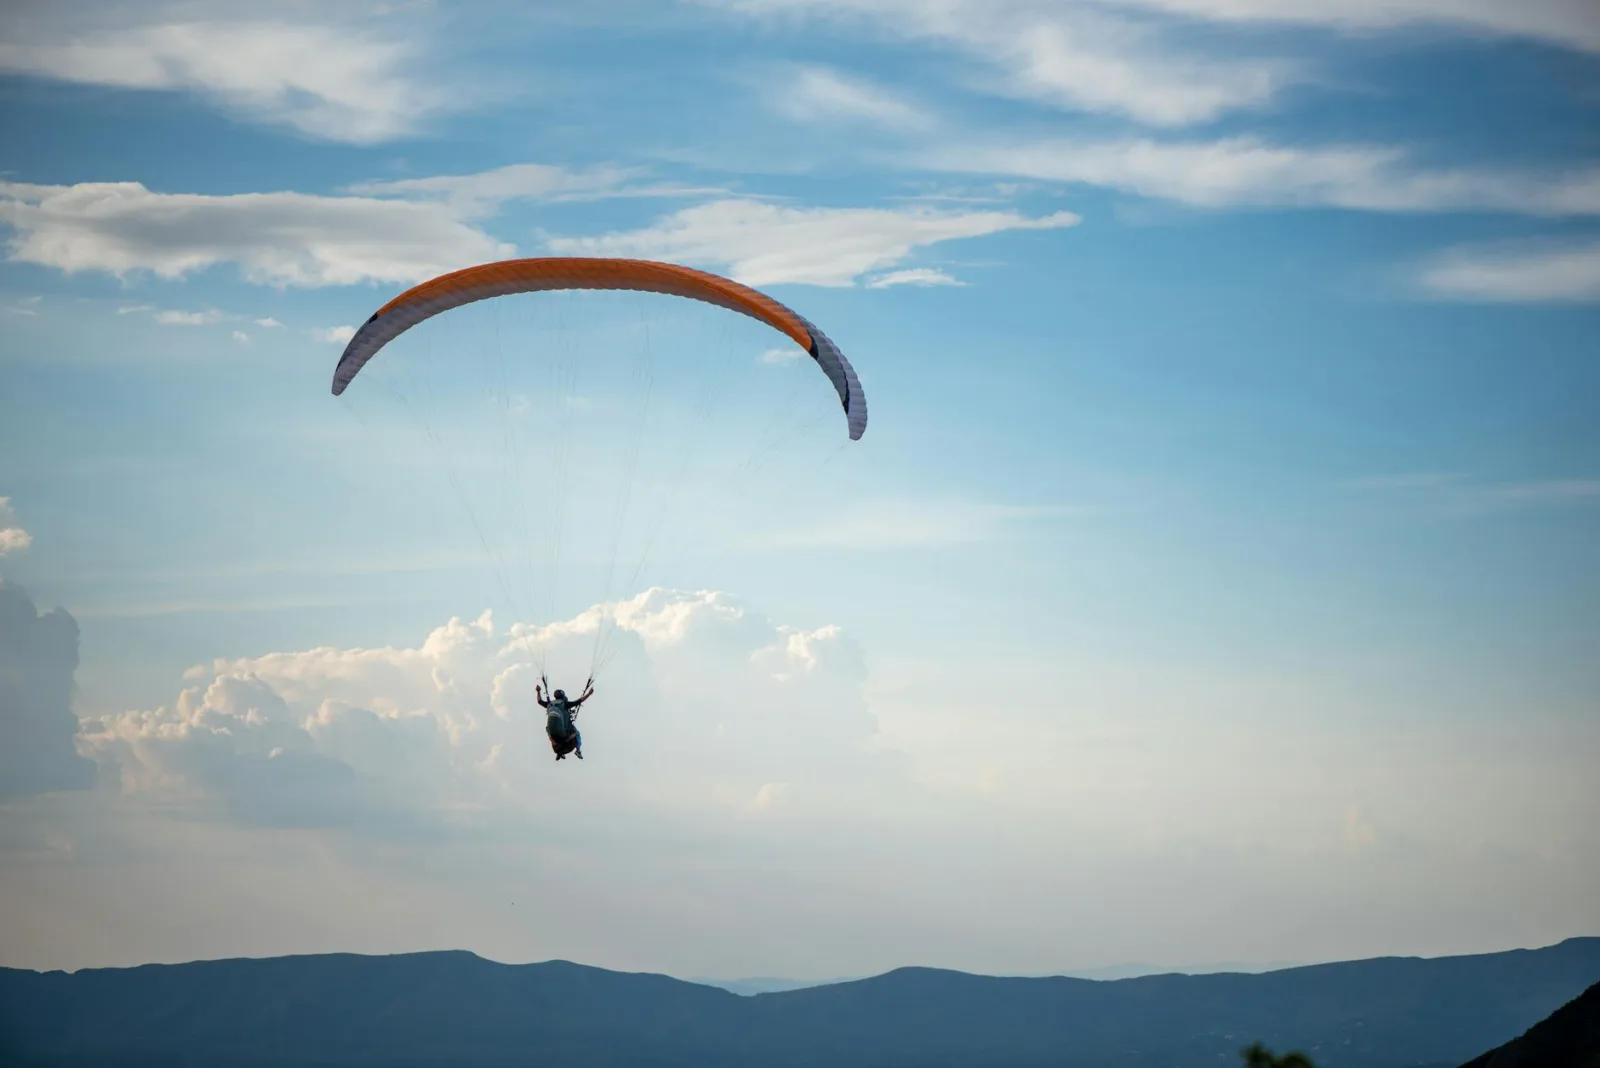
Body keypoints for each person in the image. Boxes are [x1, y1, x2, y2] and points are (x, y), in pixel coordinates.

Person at [537, 677, 593, 761]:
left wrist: (538, 691)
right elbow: (579, 701)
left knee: (548, 729)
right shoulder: (565, 704)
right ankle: (578, 750)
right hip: (562, 731)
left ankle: (559, 750)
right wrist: (588, 694)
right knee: (577, 733)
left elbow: (539, 701)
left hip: (552, 732)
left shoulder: (550, 704)